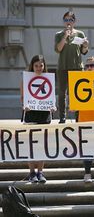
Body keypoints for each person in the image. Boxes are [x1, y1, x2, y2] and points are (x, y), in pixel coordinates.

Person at [20, 55, 55, 183]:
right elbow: (23, 98)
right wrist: (25, 106)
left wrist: (53, 107)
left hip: (44, 116)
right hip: (30, 115)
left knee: (42, 145)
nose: (39, 68)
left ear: (44, 66)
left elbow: (51, 98)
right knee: (30, 145)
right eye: (36, 66)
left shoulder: (49, 80)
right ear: (32, 66)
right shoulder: (26, 80)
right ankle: (31, 173)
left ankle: (40, 172)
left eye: (41, 65)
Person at [55, 11, 89, 123]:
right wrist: (65, 36)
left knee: (77, 93)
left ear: (74, 21)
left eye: (70, 20)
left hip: (77, 67)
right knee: (62, 93)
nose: (68, 22)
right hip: (63, 67)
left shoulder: (80, 34)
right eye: (66, 20)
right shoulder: (59, 34)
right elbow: (58, 49)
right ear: (63, 21)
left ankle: (78, 115)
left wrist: (85, 46)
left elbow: (84, 52)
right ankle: (62, 117)